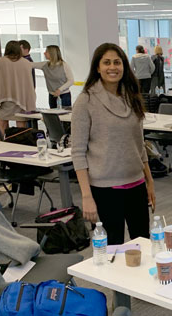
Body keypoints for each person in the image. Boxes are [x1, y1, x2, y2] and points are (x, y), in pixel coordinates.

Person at [71, 43, 156, 245]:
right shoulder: (86, 101)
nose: (113, 67)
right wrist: (86, 196)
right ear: (97, 67)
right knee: (112, 249)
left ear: (124, 66)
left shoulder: (131, 96)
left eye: (117, 62)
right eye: (107, 62)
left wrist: (149, 181)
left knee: (142, 244)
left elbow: (139, 144)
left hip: (136, 184)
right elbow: (78, 153)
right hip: (105, 189)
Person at [0, 40, 36, 134]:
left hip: (4, 98)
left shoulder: (0, 61)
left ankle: (2, 143)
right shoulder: (25, 62)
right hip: (21, 98)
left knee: (2, 122)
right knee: (20, 124)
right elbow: (28, 82)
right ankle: (21, 143)